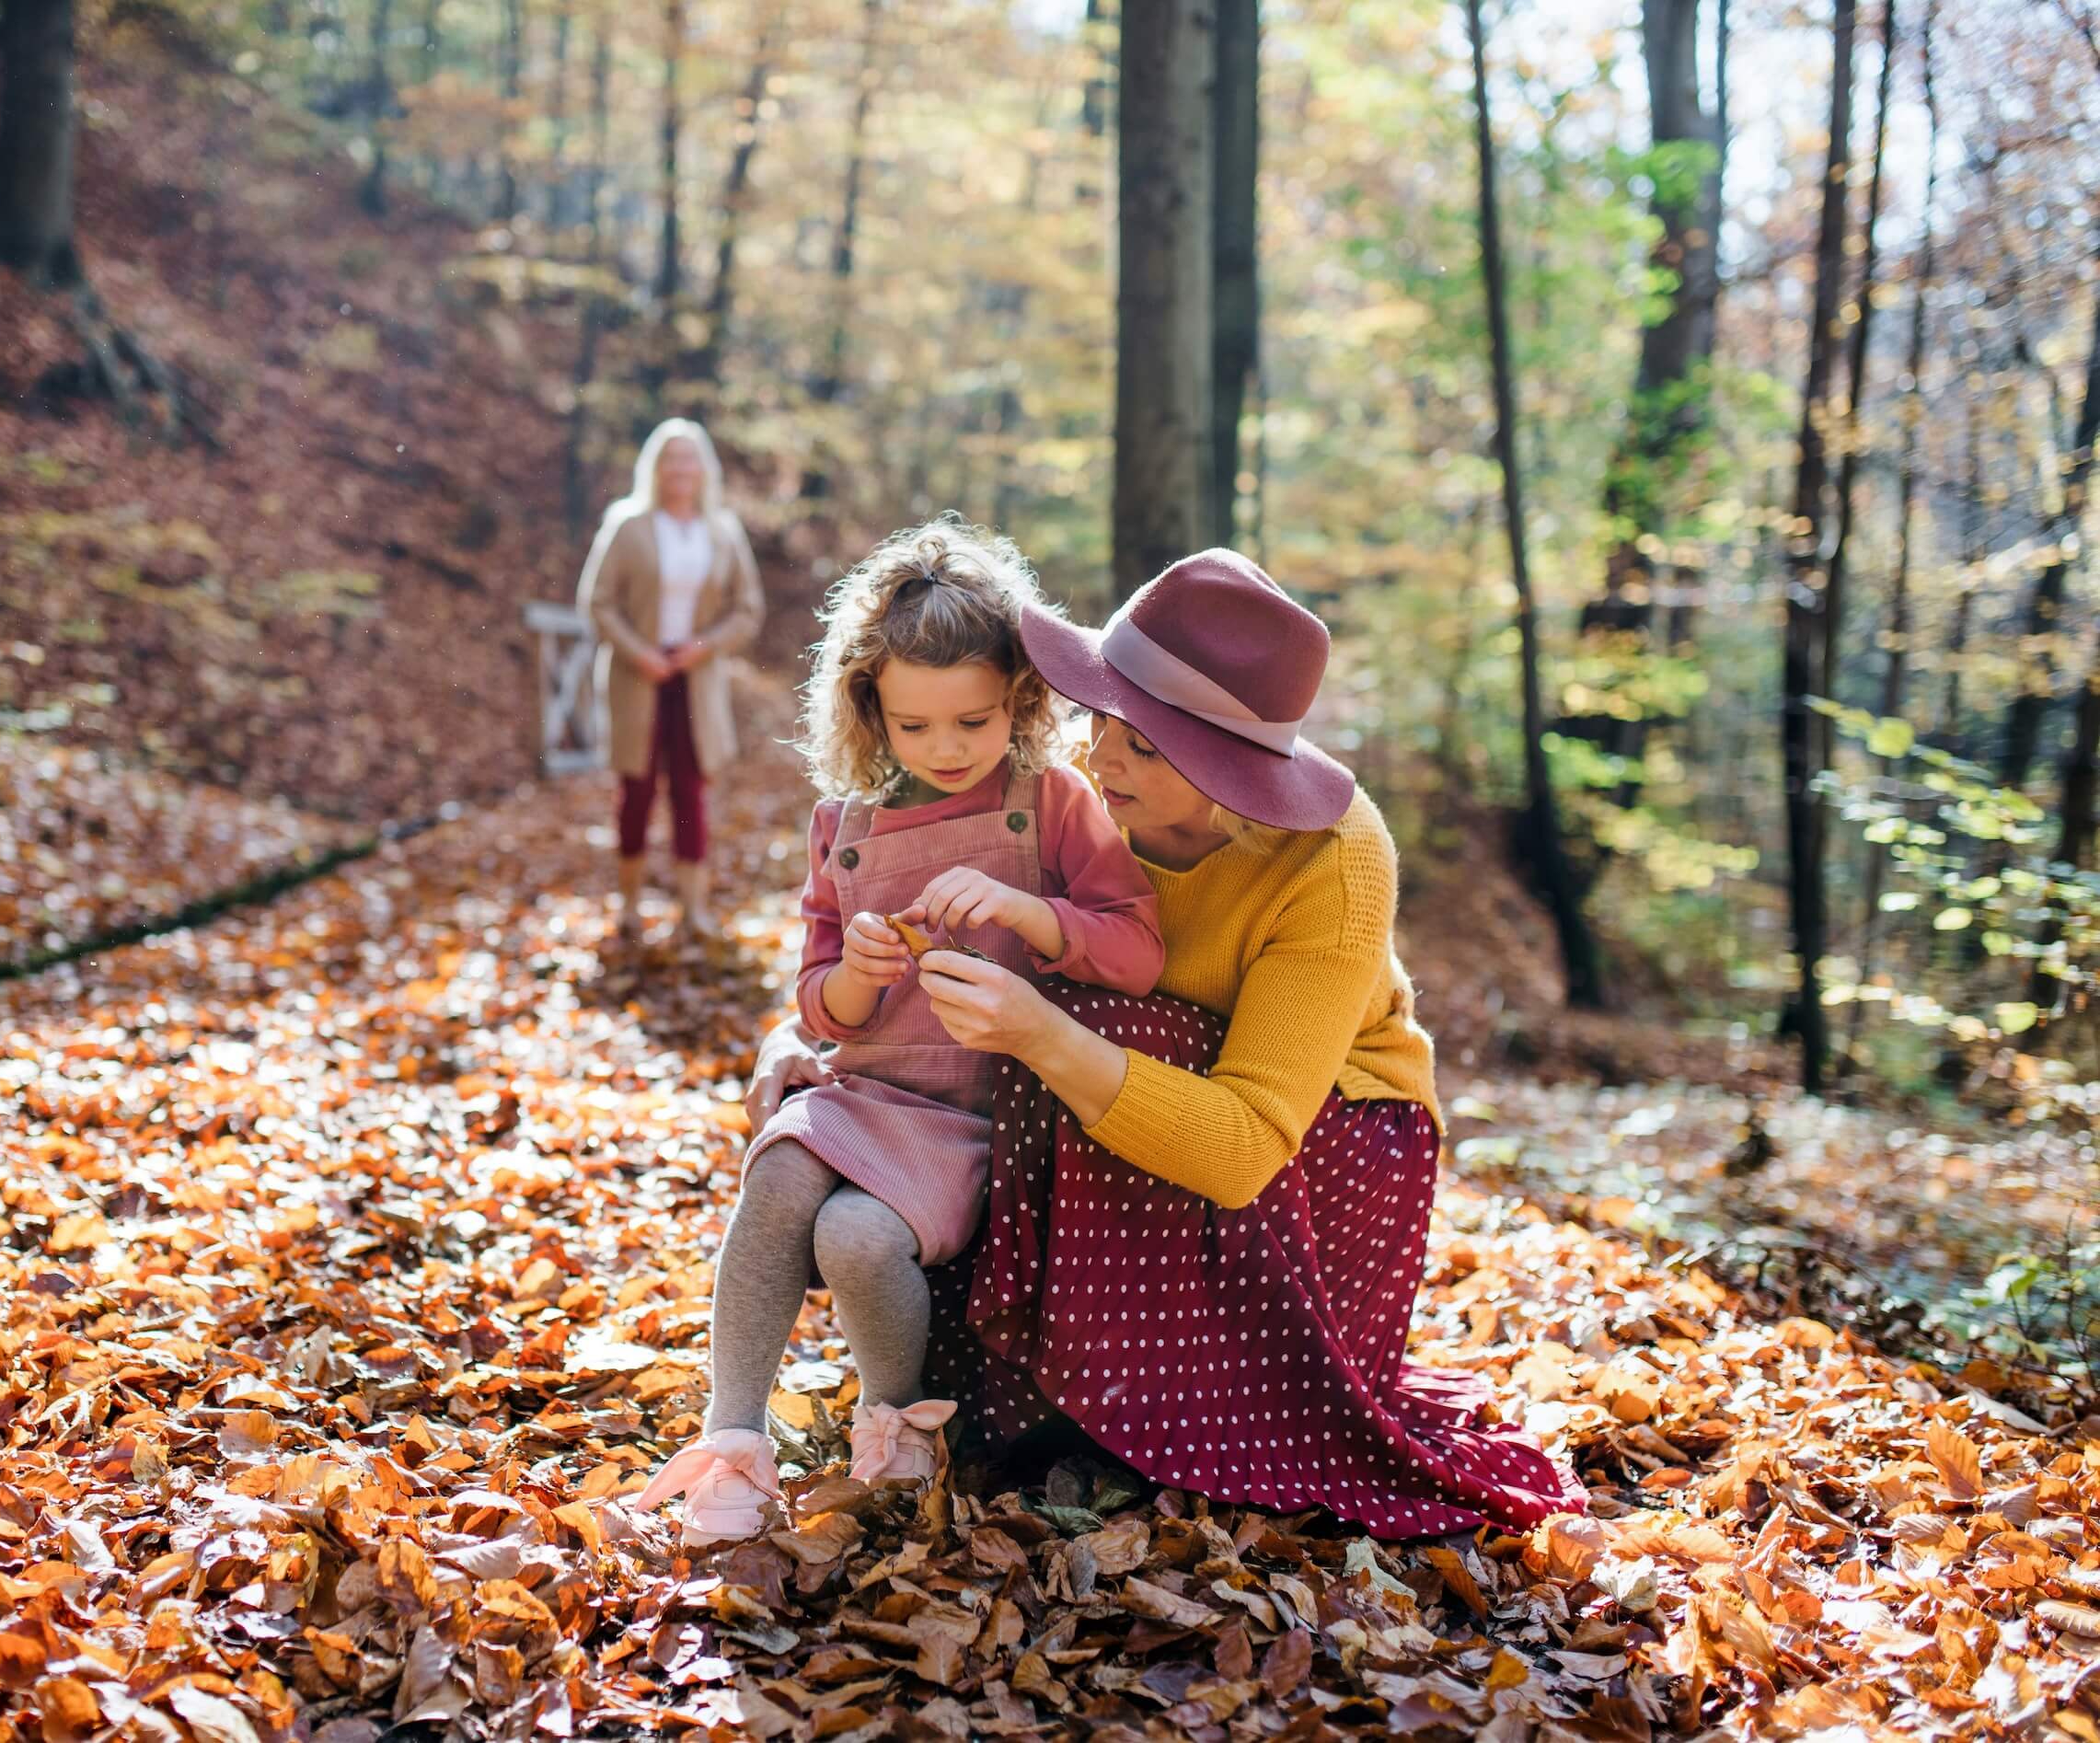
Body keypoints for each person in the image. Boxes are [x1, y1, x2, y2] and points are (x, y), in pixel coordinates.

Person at [913, 548, 1587, 1538]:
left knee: (1091, 1023)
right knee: (1080, 1017)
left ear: (1226, 766)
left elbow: (1240, 1147)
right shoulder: (1079, 800)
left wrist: (1042, 1031)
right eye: (1101, 722)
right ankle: (1025, 1394)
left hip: (1328, 1137)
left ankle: (1136, 1415)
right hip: (1153, 1087)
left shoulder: (1336, 861)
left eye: (1142, 747)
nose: (1101, 761)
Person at [636, 520, 1164, 1545]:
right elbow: (815, 1003)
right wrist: (855, 980)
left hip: (979, 1108)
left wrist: (1030, 915)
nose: (947, 749)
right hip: (864, 1090)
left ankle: (897, 1422)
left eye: (972, 720)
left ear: (1019, 696)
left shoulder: (1049, 801)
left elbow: (1136, 947)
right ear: (869, 709)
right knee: (779, 1170)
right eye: (914, 727)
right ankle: (733, 1439)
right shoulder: (849, 825)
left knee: (857, 1236)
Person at [575, 418, 765, 941]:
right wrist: (640, 653)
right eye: (670, 458)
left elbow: (747, 610)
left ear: (704, 468)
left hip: (695, 680)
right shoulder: (628, 524)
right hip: (637, 678)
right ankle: (630, 903)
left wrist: (700, 649)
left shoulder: (723, 531)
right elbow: (597, 601)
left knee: (690, 792)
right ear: (654, 467)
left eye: (689, 458)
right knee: (635, 791)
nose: (680, 468)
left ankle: (694, 908)